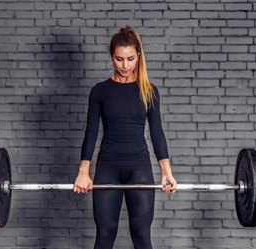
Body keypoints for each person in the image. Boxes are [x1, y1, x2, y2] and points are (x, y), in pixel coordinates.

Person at [73, 25, 177, 249]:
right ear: (112, 57)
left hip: (138, 167)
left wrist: (166, 173)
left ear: (138, 56)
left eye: (130, 59)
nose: (125, 65)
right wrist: (83, 173)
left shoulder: (149, 90)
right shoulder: (100, 91)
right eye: (119, 59)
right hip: (107, 166)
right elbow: (90, 133)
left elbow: (157, 133)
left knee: (141, 235)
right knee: (105, 235)